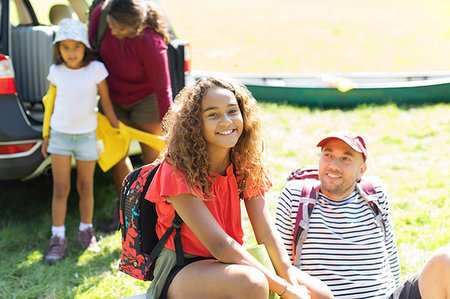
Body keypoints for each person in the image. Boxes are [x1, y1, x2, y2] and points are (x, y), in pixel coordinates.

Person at [144, 77, 334, 299]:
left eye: (233, 111)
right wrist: (284, 289)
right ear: (195, 123)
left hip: (229, 262)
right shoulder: (177, 168)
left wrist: (290, 280)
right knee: (251, 283)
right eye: (212, 114)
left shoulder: (243, 162)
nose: (226, 121)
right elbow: (219, 246)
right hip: (181, 266)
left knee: (320, 293)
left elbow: (266, 232)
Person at [275, 129, 450, 298]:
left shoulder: (374, 193)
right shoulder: (296, 196)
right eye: (328, 155)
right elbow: (279, 264)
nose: (333, 166)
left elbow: (390, 253)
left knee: (445, 259)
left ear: (362, 170)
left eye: (345, 158)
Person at [41, 18, 119, 264]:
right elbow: (50, 104)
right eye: (65, 47)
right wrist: (45, 136)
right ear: (58, 49)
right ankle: (57, 237)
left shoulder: (95, 69)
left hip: (87, 136)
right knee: (60, 189)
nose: (71, 52)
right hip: (60, 137)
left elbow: (105, 102)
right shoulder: (56, 72)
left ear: (85, 47)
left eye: (76, 46)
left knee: (86, 187)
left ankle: (86, 231)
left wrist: (116, 126)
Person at [88, 0, 173, 215]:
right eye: (112, 25)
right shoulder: (101, 15)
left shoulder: (151, 42)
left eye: (122, 29)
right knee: (116, 156)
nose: (114, 32)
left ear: (137, 27)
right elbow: (91, 52)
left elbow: (163, 90)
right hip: (113, 98)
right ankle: (127, 211)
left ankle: (152, 214)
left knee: (152, 160)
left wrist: (170, 130)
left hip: (146, 99)